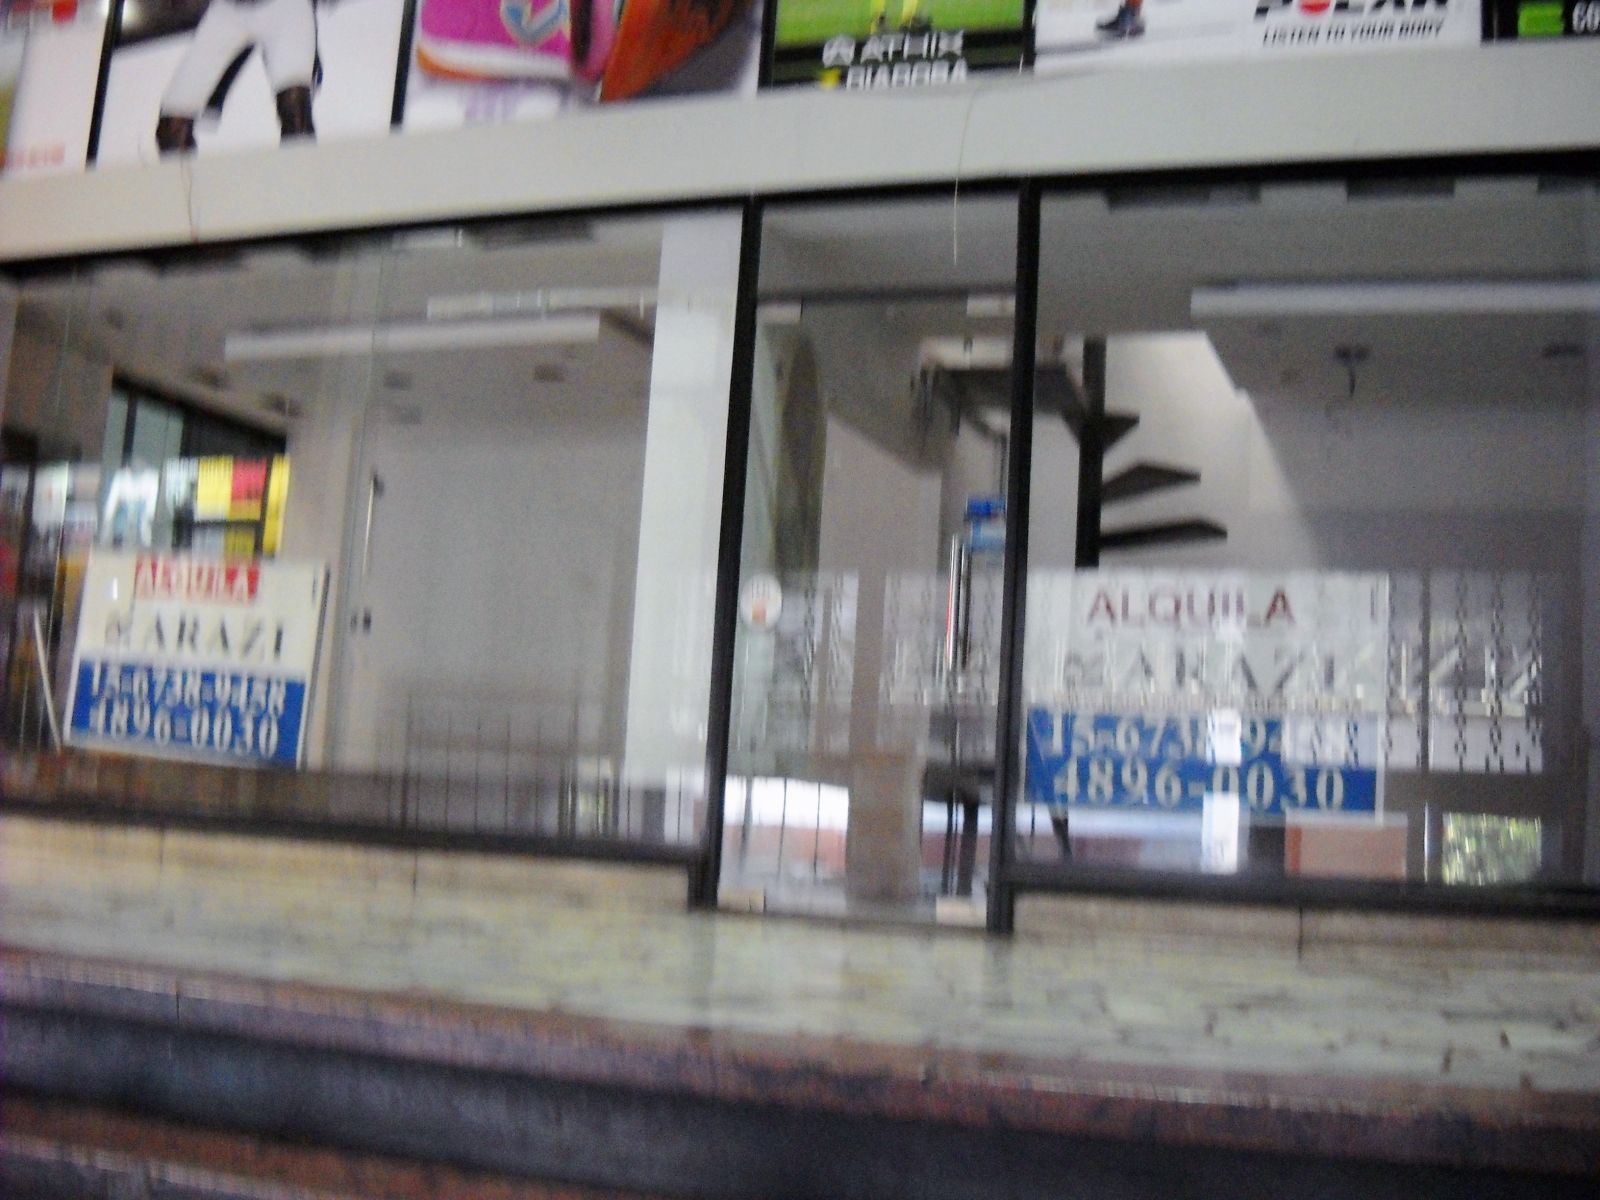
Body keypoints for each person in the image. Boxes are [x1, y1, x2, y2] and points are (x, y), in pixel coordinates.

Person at [154, 0, 318, 155]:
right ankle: (183, 176)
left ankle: (303, 173)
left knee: (295, 110)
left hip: (285, 9)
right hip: (228, 12)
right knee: (172, 126)